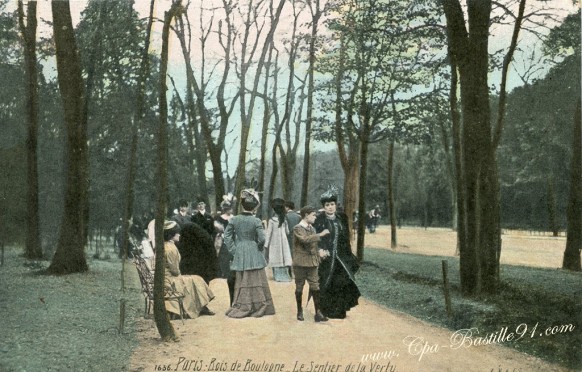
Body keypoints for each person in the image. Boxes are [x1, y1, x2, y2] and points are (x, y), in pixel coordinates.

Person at [224, 189, 275, 318]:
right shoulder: (256, 220)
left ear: (242, 205)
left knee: (242, 277)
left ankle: (243, 303)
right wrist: (258, 246)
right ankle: (258, 304)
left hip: (240, 247)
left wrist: (233, 249)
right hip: (253, 248)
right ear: (254, 207)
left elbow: (227, 236)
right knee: (255, 276)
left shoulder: (234, 219)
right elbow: (262, 238)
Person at [313, 185, 360, 319]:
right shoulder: (319, 219)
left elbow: (346, 239)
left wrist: (349, 255)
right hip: (326, 259)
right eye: (327, 205)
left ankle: (339, 310)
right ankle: (324, 311)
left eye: (332, 204)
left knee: (341, 282)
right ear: (324, 206)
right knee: (326, 282)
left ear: (335, 205)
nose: (330, 207)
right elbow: (316, 237)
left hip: (341, 258)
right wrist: (320, 249)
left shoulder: (342, 218)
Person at [162, 220, 215, 318]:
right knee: (197, 279)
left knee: (196, 279)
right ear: (171, 235)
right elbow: (175, 271)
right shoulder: (171, 248)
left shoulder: (166, 246)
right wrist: (181, 274)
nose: (179, 235)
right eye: (177, 233)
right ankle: (201, 307)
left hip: (166, 277)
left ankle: (202, 306)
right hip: (170, 280)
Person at [292, 206, 330, 322]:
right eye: (313, 215)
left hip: (312, 262)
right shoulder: (297, 228)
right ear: (306, 215)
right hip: (301, 263)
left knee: (315, 286)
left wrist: (320, 253)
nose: (315, 217)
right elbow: (305, 240)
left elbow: (313, 245)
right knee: (300, 286)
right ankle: (299, 311)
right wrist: (320, 235)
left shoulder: (312, 229)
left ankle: (318, 313)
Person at [264, 198, 293, 282]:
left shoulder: (272, 221)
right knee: (284, 256)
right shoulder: (284, 220)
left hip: (274, 242)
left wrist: (266, 245)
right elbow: (287, 232)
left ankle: (277, 275)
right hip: (284, 242)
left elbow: (268, 234)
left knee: (275, 257)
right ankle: (285, 275)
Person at [214, 195, 236, 305]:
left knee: (231, 254)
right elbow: (217, 228)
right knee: (223, 255)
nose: (229, 210)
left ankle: (231, 270)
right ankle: (223, 271)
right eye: (228, 209)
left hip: (232, 238)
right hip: (222, 238)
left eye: (230, 208)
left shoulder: (233, 217)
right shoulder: (219, 218)